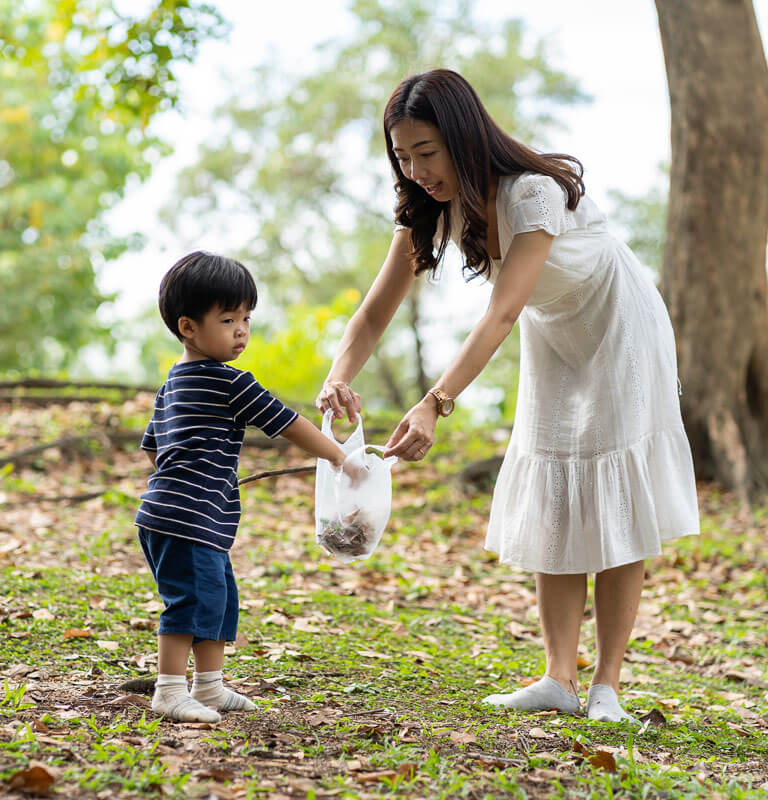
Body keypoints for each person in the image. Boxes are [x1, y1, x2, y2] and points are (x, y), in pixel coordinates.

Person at [316, 69, 699, 722]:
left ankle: (605, 686)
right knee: (555, 489)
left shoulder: (534, 192)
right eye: (403, 157)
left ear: (463, 138)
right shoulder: (429, 210)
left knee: (615, 496)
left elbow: (500, 312)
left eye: (427, 154)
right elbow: (374, 313)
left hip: (620, 327)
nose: (416, 172)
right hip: (555, 333)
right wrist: (337, 375)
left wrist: (436, 401)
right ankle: (558, 679)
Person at [137, 251, 365, 723]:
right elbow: (288, 423)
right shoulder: (230, 382)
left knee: (219, 599)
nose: (242, 329)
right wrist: (340, 456)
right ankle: (169, 689)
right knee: (191, 601)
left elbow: (152, 450)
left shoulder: (171, 383)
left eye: (246, 318)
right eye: (227, 318)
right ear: (188, 327)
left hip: (181, 514)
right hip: (190, 518)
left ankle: (210, 687)